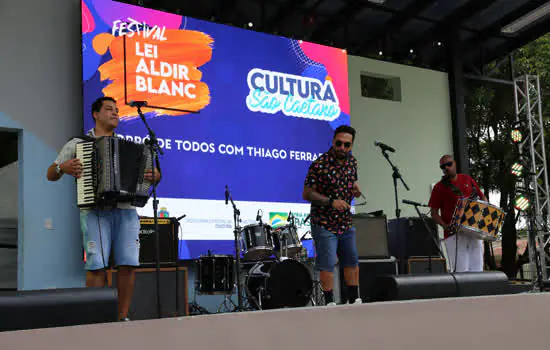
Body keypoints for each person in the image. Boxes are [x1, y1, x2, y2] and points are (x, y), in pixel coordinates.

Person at [46, 96, 161, 321]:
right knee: (96, 266)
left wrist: (153, 176)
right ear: (95, 114)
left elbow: (144, 177)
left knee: (128, 264)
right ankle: (95, 319)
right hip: (94, 210)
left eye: (117, 110)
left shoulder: (130, 147)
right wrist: (62, 167)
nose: (115, 113)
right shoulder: (78, 143)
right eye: (109, 109)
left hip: (126, 210)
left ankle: (121, 317)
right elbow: (50, 173)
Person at [302, 125, 362, 306]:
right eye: (339, 143)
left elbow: (352, 184)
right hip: (324, 222)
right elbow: (307, 194)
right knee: (327, 262)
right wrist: (331, 201)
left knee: (351, 260)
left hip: (344, 221)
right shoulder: (320, 164)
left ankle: (354, 299)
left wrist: (356, 190)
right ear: (333, 141)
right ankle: (329, 302)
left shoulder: (353, 162)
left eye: (347, 145)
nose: (342, 148)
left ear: (351, 146)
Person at [428, 154, 487, 273]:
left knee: (478, 268)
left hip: (473, 230)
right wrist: (446, 227)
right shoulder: (439, 187)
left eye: (449, 164)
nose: (447, 168)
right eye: (443, 166)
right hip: (454, 233)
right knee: (461, 270)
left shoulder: (467, 179)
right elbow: (434, 213)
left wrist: (482, 215)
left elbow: (483, 198)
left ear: (454, 164)